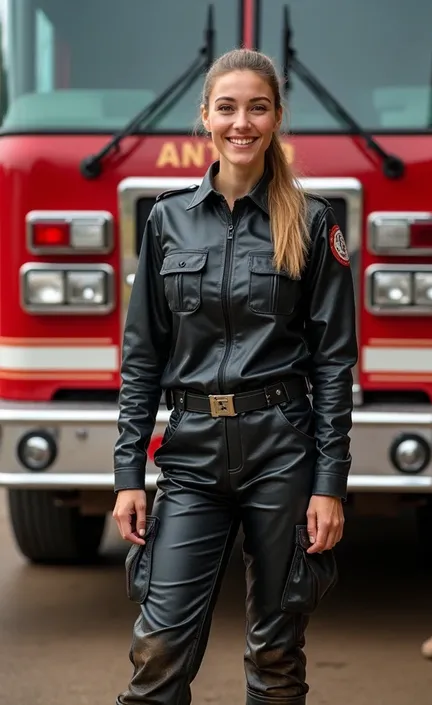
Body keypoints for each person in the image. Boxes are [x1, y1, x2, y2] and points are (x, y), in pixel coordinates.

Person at [112, 48, 358, 705]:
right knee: (157, 650)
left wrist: (329, 483)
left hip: (283, 452)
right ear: (206, 117)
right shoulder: (167, 220)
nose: (241, 121)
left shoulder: (310, 221)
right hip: (191, 454)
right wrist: (127, 475)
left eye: (257, 107)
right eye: (227, 107)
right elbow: (142, 357)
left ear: (277, 117)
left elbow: (334, 363)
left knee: (277, 654)